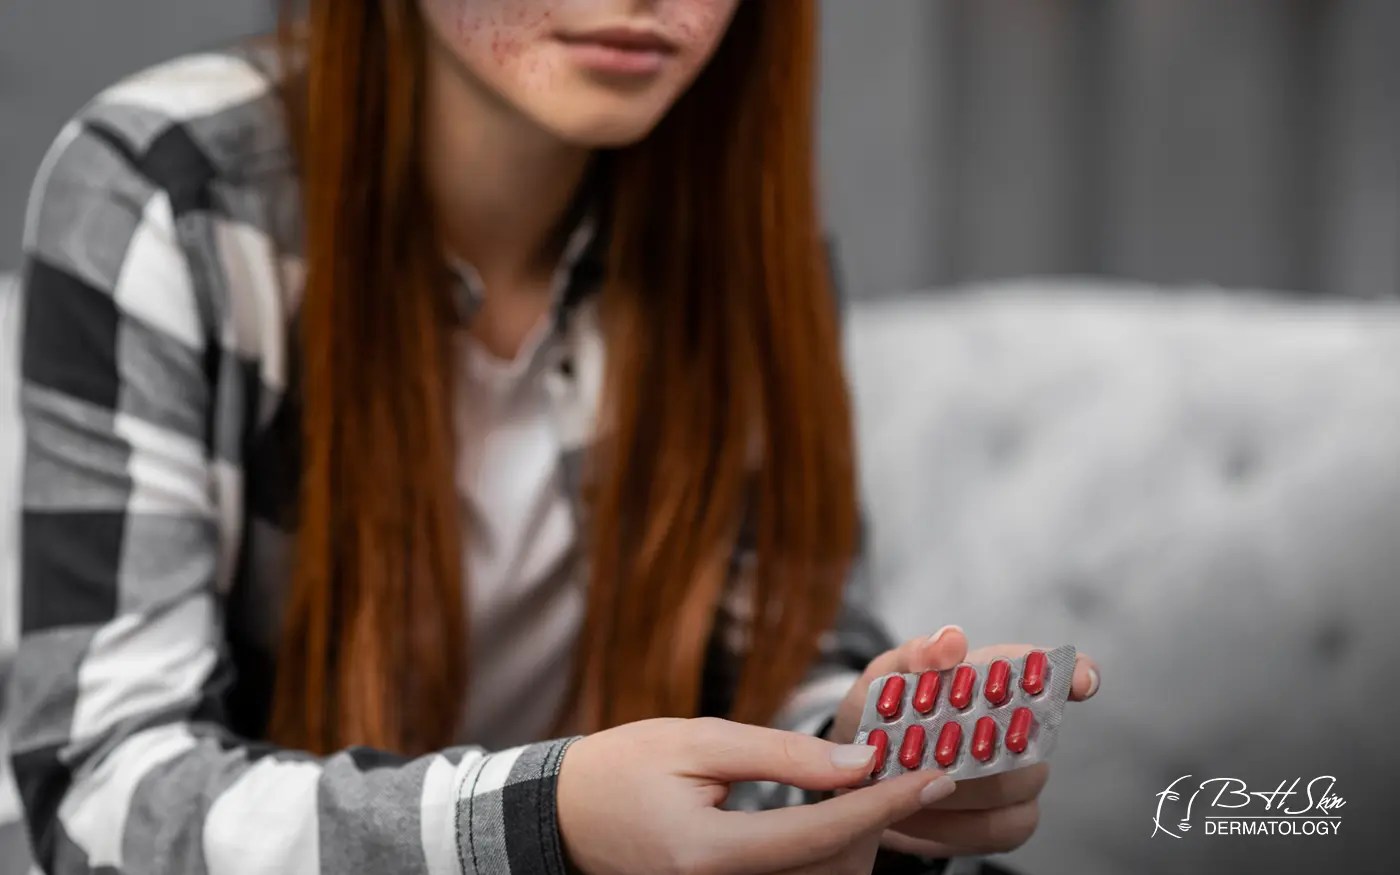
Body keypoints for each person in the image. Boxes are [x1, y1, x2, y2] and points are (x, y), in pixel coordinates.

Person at [6, 1, 1101, 873]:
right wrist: (547, 818)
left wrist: (856, 754)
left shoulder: (742, 230)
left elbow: (776, 659)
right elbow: (105, 799)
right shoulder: (164, 191)